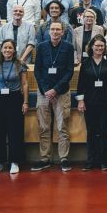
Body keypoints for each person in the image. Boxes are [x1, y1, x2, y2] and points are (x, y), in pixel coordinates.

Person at [33, 22, 75, 172]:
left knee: (62, 127)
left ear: (63, 32)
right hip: (43, 92)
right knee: (44, 127)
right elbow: (37, 70)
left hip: (61, 92)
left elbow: (69, 71)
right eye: (52, 29)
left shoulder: (69, 47)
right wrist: (46, 90)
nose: (55, 31)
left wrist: (55, 90)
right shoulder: (42, 47)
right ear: (48, 32)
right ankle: (45, 158)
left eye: (58, 29)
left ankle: (63, 158)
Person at [0, 39, 29, 175]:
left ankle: (15, 161)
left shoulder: (20, 65)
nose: (7, 50)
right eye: (5, 48)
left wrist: (25, 102)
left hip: (15, 98)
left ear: (14, 50)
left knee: (15, 131)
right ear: (1, 49)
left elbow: (25, 84)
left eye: (10, 48)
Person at [77, 35, 107, 171]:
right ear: (91, 47)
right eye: (96, 46)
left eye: (101, 45)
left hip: (106, 102)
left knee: (103, 131)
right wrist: (80, 101)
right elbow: (81, 84)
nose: (99, 48)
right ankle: (91, 161)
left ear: (104, 47)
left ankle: (103, 161)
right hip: (89, 102)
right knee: (91, 132)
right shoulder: (85, 63)